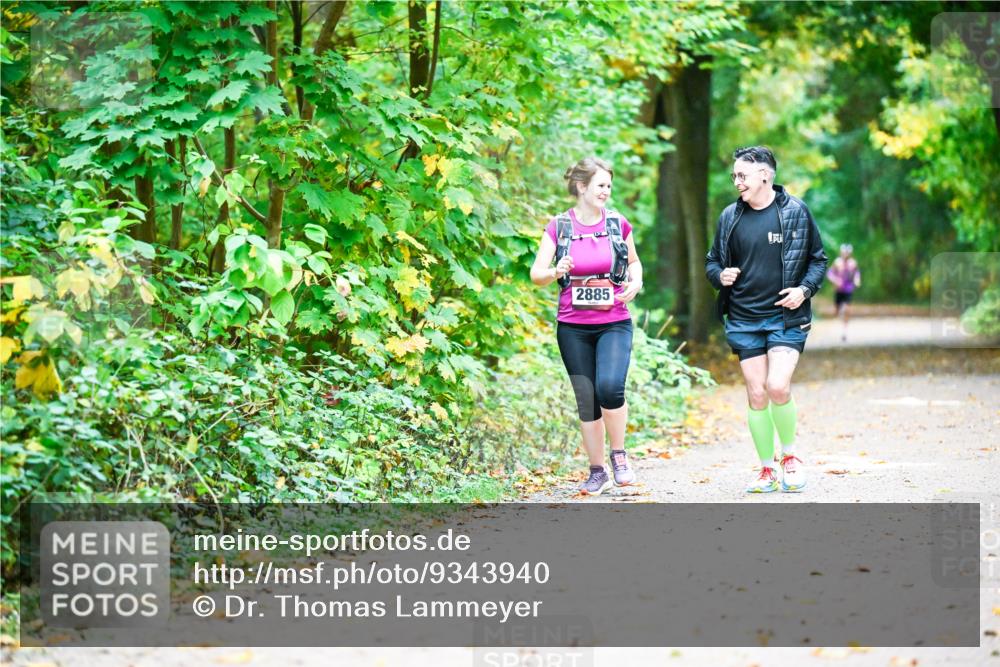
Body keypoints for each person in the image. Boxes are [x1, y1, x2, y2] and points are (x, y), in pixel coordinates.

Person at [705, 146, 827, 493]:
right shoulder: (730, 216)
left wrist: (803, 290)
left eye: (741, 175)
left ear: (765, 175)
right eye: (734, 176)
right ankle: (766, 469)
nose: (737, 182)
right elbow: (712, 262)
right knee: (756, 394)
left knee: (777, 386)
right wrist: (720, 276)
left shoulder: (795, 213)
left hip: (785, 318)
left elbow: (818, 260)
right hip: (744, 318)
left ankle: (790, 458)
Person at [530, 157, 643, 496]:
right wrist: (556, 271)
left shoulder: (617, 224)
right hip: (573, 326)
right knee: (587, 398)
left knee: (610, 387)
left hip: (614, 322)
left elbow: (634, 263)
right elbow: (536, 274)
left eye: (609, 186)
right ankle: (597, 471)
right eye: (600, 186)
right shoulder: (560, 227)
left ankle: (619, 456)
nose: (606, 192)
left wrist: (635, 283)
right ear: (581, 187)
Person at [827, 244, 861, 341]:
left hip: (848, 289)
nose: (846, 254)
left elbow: (856, 273)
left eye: (847, 253)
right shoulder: (837, 262)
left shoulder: (853, 263)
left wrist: (857, 279)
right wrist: (835, 280)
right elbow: (830, 273)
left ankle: (844, 331)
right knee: (836, 311)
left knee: (847, 310)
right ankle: (839, 314)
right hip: (839, 290)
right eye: (844, 252)